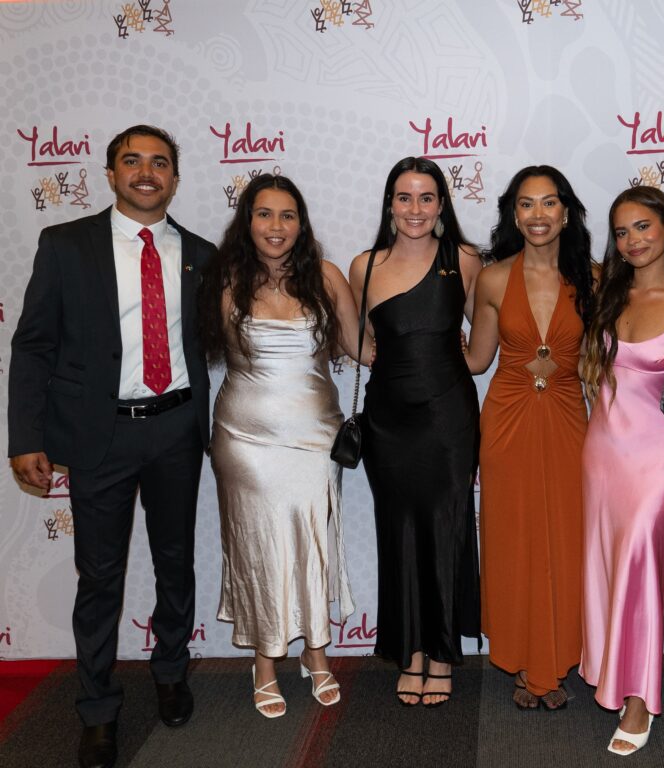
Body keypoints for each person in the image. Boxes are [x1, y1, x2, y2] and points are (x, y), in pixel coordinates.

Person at [7, 125, 215, 768]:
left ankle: (171, 670)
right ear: (110, 173)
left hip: (177, 428)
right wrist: (25, 438)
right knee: (100, 578)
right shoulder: (65, 244)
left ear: (175, 178)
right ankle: (97, 709)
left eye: (160, 163)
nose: (146, 173)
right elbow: (33, 345)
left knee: (176, 562)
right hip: (100, 436)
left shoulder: (201, 254)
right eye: (133, 162)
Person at [197, 174, 363, 718]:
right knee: (259, 546)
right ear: (247, 222)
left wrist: (432, 335)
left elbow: (363, 349)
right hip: (246, 439)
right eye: (264, 214)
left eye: (287, 215)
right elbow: (203, 354)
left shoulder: (328, 277)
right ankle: (266, 661)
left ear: (302, 223)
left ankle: (316, 654)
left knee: (312, 542)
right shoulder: (225, 280)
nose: (276, 226)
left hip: (316, 437)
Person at [579, 186, 664, 755]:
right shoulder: (606, 296)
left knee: (641, 571)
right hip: (602, 456)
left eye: (642, 226)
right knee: (604, 571)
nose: (633, 240)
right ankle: (609, 673)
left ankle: (639, 703)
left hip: (660, 461)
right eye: (621, 231)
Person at [349, 157, 483, 707]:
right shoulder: (364, 266)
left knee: (448, 525)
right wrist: (392, 360)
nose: (415, 209)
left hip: (449, 414)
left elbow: (481, 348)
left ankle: (442, 653)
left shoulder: (467, 260)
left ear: (442, 205)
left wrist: (449, 363)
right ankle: (410, 653)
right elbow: (356, 344)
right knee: (398, 527)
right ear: (389, 204)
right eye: (404, 198)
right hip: (389, 419)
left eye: (426, 198)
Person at [464, 165, 595, 710]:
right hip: (508, 420)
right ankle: (525, 661)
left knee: (566, 540)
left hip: (568, 416)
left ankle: (553, 662)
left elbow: (596, 364)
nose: (537, 215)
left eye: (548, 203)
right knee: (513, 540)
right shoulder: (493, 279)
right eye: (525, 204)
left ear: (566, 212)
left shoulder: (594, 275)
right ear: (512, 214)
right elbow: (477, 360)